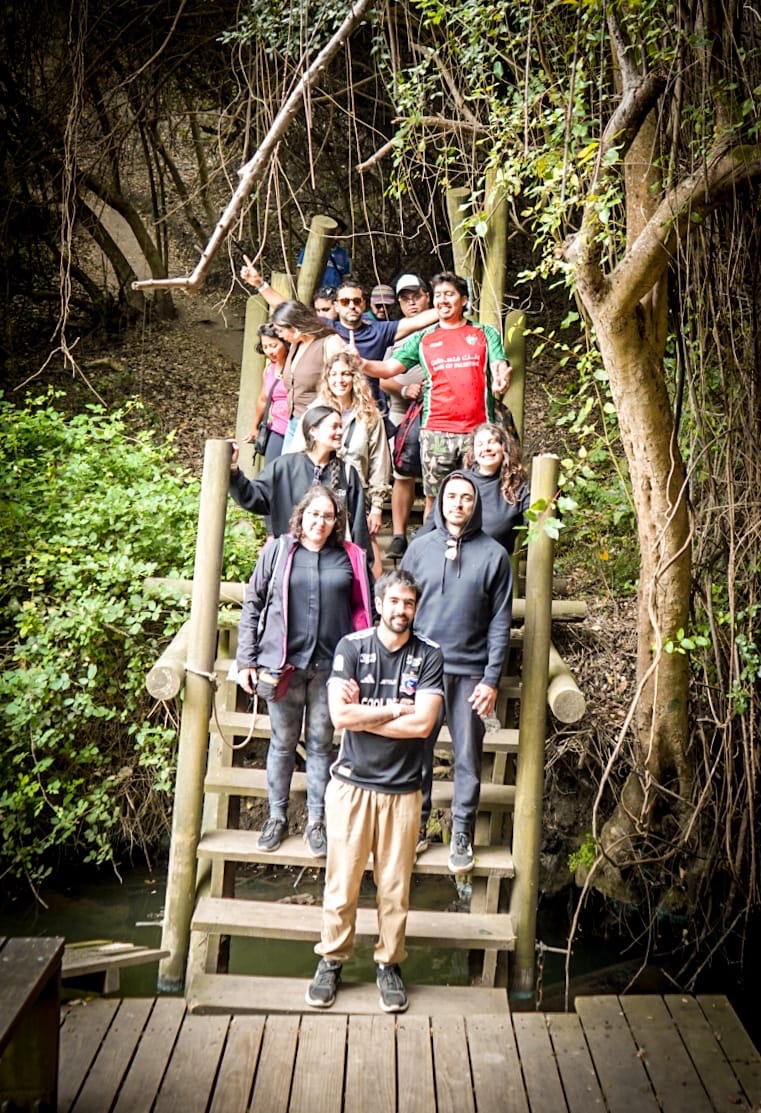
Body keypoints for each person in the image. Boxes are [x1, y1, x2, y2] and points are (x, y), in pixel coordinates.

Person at [305, 569, 444, 1013]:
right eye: (394, 601)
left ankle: (389, 964)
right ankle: (331, 959)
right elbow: (339, 718)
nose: (402, 610)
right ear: (379, 604)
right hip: (351, 785)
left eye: (409, 603)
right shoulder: (352, 647)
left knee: (394, 888)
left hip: (403, 790)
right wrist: (393, 709)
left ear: (415, 608)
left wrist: (365, 712)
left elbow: (423, 725)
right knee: (342, 884)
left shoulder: (429, 654)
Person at [236, 487, 373, 856]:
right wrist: (246, 660)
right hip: (284, 665)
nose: (320, 522)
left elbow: (364, 613)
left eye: (328, 516)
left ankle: (316, 822)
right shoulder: (279, 550)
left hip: (332, 668)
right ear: (301, 515)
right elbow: (253, 602)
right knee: (282, 743)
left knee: (321, 744)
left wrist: (362, 666)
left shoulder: (351, 556)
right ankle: (276, 817)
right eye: (314, 514)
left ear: (336, 521)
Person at [401, 472, 512, 874]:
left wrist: (491, 679)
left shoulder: (495, 555)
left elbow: (500, 622)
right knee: (417, 752)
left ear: (475, 504)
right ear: (441, 500)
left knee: (467, 757)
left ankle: (461, 832)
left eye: (466, 497)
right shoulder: (419, 548)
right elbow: (401, 606)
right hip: (423, 669)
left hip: (470, 672)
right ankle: (416, 825)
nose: (458, 504)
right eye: (451, 496)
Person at [359, 271, 511, 519]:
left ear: (463, 300)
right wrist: (361, 363)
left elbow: (498, 365)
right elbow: (388, 368)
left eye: (449, 294)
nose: (443, 300)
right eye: (439, 295)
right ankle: (433, 542)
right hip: (436, 431)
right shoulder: (423, 338)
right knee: (435, 500)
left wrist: (501, 378)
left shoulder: (484, 333)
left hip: (479, 431)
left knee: (479, 496)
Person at [290, 350, 392, 580]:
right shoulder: (314, 412)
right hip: (319, 492)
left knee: (368, 558)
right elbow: (297, 453)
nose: (340, 380)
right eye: (334, 374)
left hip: (356, 495)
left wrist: (377, 507)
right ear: (327, 378)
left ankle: (370, 597)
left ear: (355, 377)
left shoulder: (369, 415)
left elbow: (379, 461)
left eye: (345, 374)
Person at [229, 405, 373, 561]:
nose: (340, 432)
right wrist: (233, 470)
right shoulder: (284, 466)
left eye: (341, 426)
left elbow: (359, 527)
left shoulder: (348, 473)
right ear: (313, 431)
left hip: (334, 563)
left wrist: (364, 565)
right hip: (290, 560)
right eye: (334, 426)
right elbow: (252, 496)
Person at [415, 422, 530, 556]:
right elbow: (429, 527)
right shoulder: (458, 481)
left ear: (504, 447)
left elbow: (537, 521)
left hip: (493, 560)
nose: (486, 448)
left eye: (492, 442)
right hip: (449, 556)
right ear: (473, 452)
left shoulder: (517, 486)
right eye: (480, 444)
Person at [381, 274, 431, 558]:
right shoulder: (394, 333)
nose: (411, 303)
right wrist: (404, 389)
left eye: (416, 296)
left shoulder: (440, 328)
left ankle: (428, 534)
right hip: (401, 411)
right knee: (402, 473)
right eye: (405, 299)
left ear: (427, 297)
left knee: (435, 475)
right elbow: (381, 378)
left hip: (435, 410)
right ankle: (399, 535)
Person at [243, 323, 290, 466]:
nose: (269, 351)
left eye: (274, 346)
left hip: (296, 428)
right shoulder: (269, 369)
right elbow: (263, 399)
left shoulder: (297, 366)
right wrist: (254, 427)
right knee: (270, 471)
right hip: (277, 428)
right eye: (265, 347)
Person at [296, 219, 352, 289]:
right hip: (314, 291)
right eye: (333, 234)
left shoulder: (342, 254)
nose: (335, 237)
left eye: (338, 235)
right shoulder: (310, 250)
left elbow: (345, 278)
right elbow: (300, 270)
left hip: (335, 291)